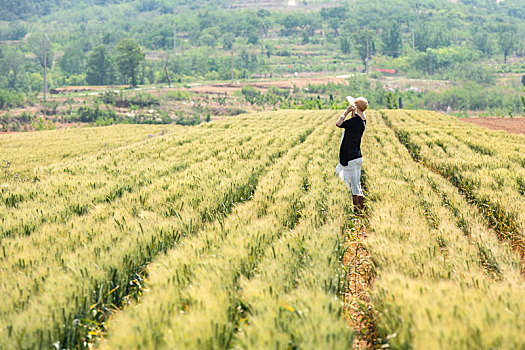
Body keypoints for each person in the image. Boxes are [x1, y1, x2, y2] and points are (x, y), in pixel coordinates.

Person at [335, 96, 368, 214]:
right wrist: (354, 112)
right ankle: (361, 212)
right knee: (356, 185)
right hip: (357, 157)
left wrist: (347, 111)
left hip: (349, 158)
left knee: (341, 175)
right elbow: (356, 119)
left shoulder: (353, 122)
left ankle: (356, 211)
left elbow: (338, 124)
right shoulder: (362, 122)